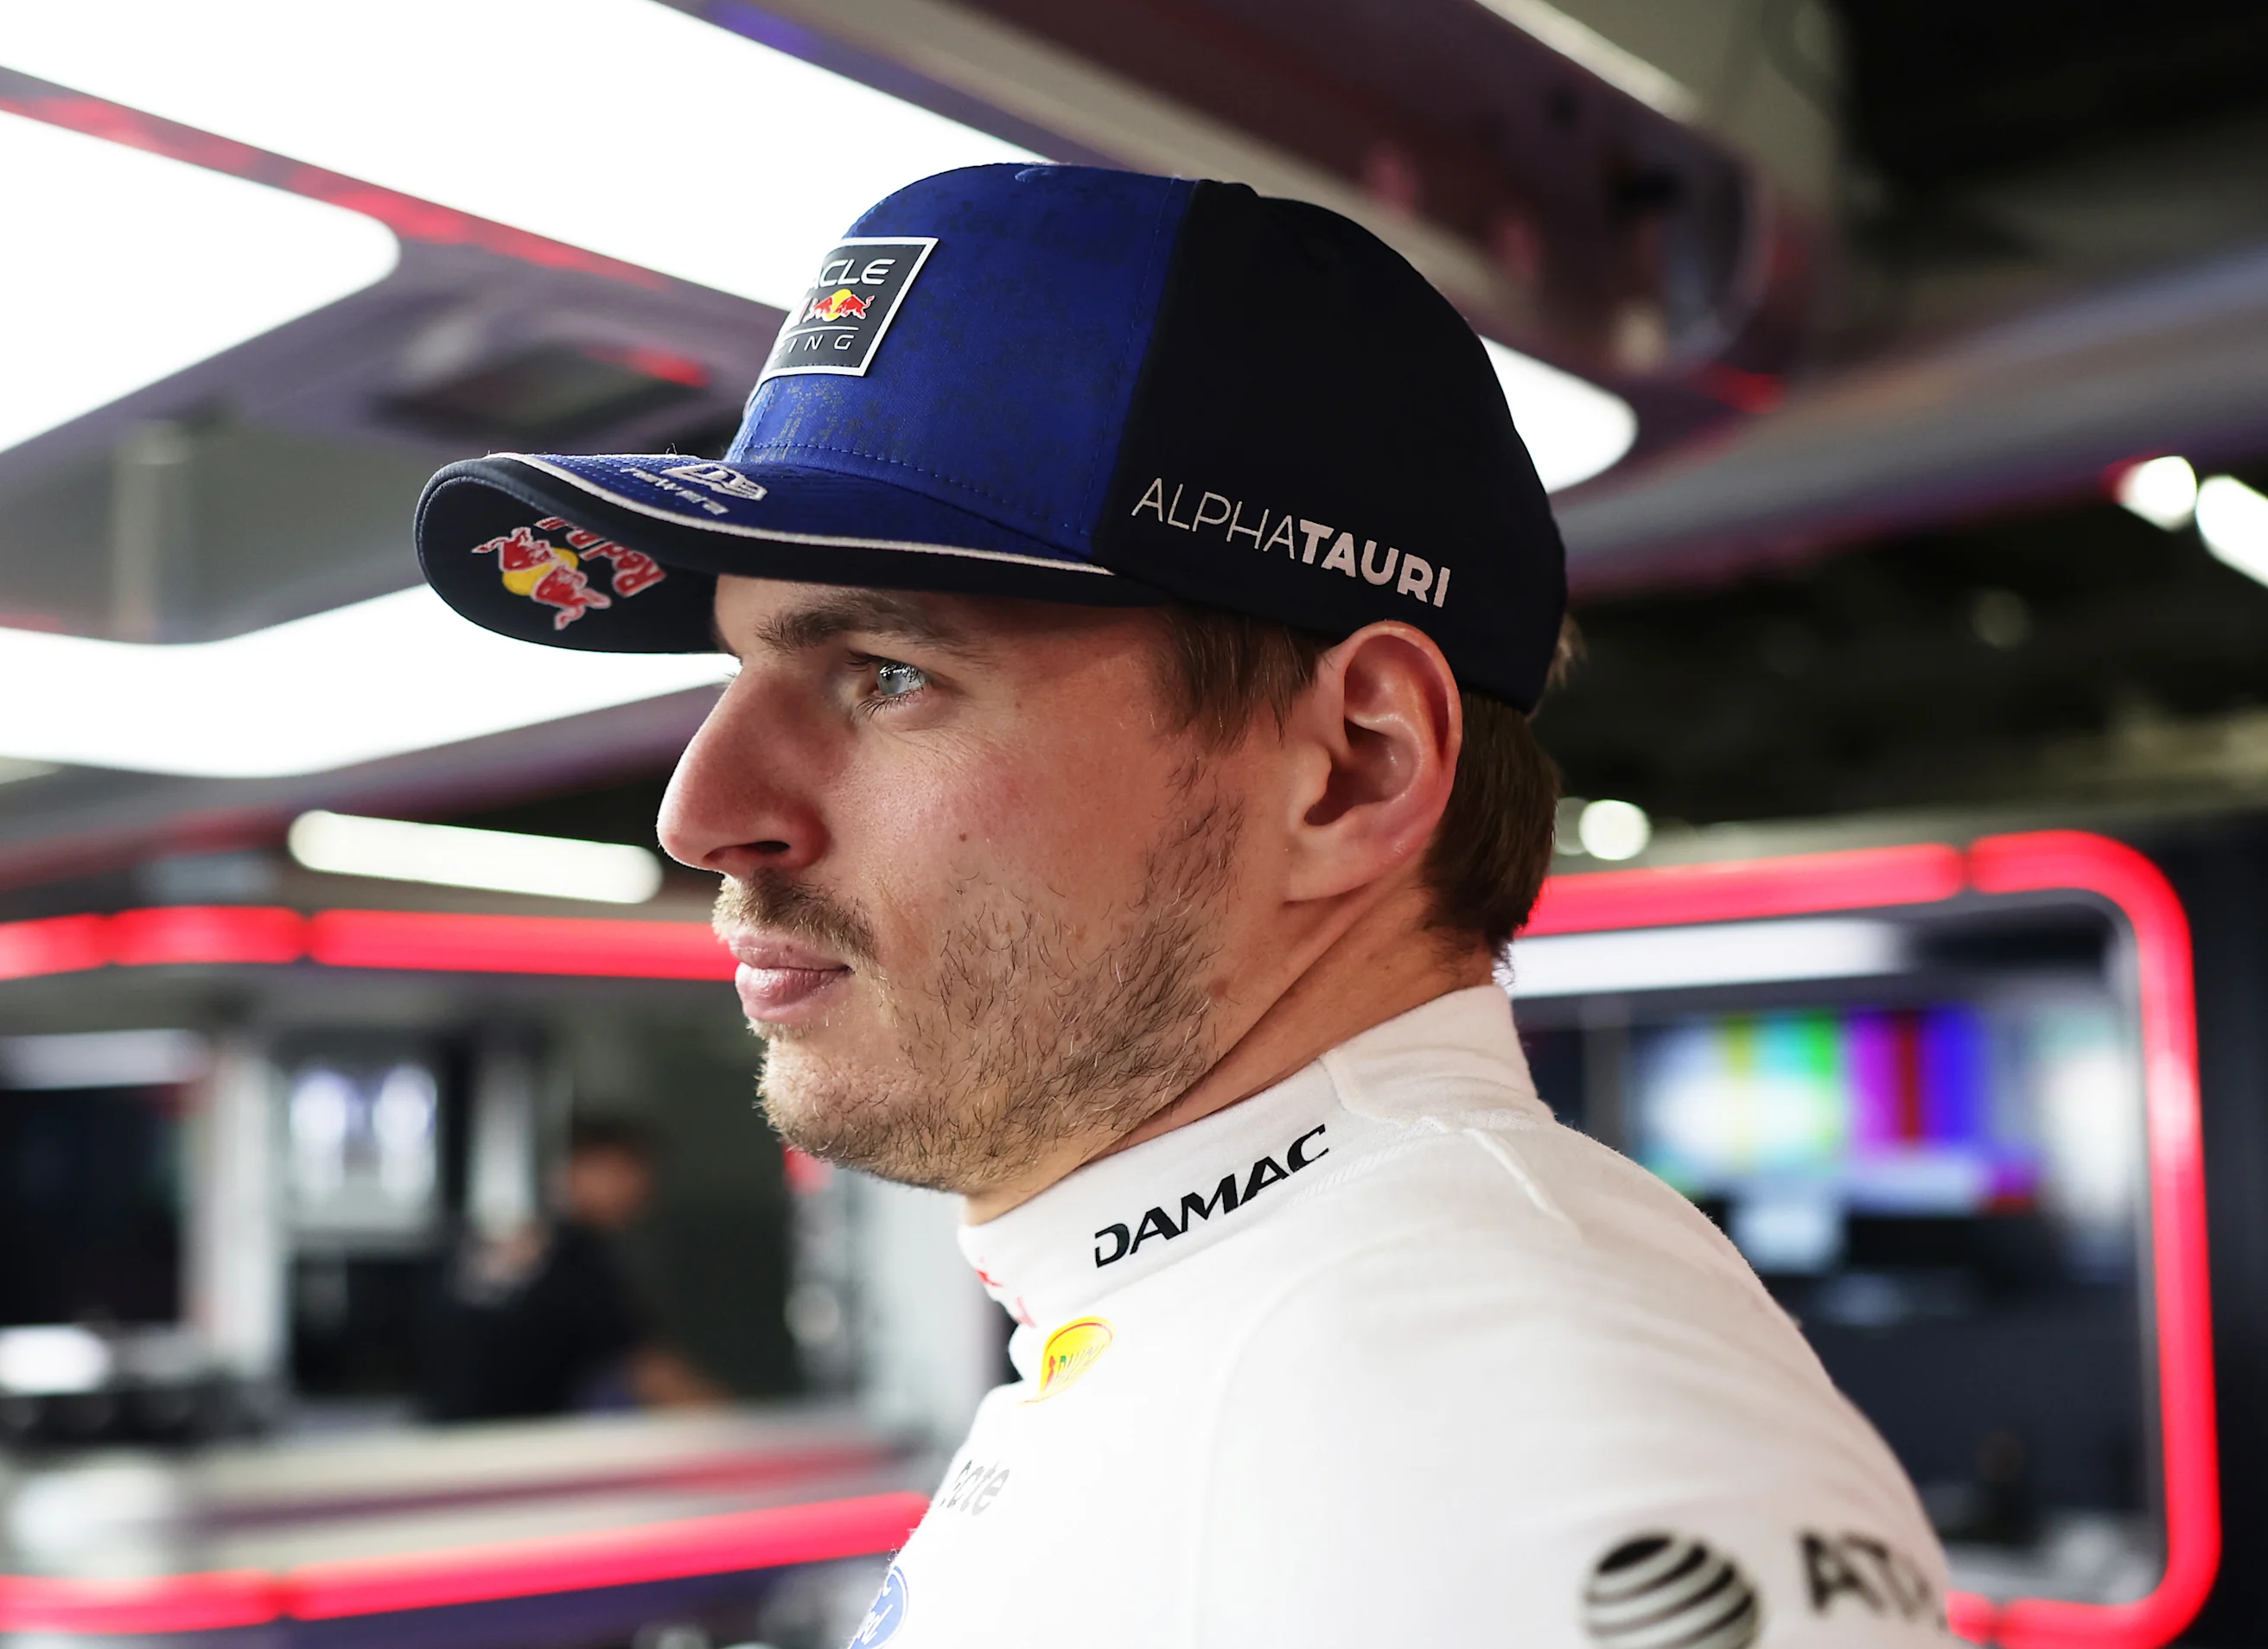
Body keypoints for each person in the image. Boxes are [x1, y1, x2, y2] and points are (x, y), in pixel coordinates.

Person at [411, 165, 1951, 1643]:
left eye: (888, 672)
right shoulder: (1238, 1304)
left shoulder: (1494, 1390)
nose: (701, 813)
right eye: (738, 671)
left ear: (1350, 766)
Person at [417, 1120, 723, 1420]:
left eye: (643, 1172)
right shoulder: (575, 1256)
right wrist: (737, 1428)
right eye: (618, 1170)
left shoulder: (525, 1241)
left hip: (451, 1440)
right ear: (570, 1170)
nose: (638, 1187)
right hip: (499, 1447)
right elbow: (652, 1371)